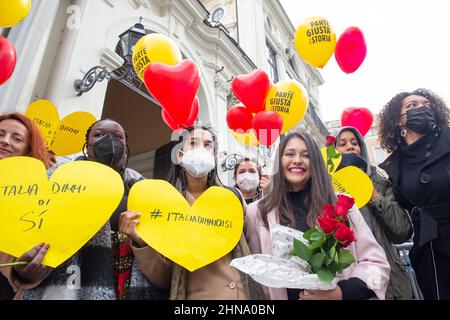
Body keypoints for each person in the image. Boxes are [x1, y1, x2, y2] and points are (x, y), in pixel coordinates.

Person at [5, 119, 166, 300]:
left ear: (126, 146)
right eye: (99, 135)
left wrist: (141, 243)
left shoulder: (143, 193)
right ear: (86, 145)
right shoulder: (54, 181)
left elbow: (163, 276)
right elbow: (24, 244)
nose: (109, 141)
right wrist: (25, 272)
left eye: (117, 137)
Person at [120, 126, 269, 300]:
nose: (201, 149)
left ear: (214, 156)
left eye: (208, 145)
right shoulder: (163, 205)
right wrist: (141, 241)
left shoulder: (232, 198)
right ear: (180, 155)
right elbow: (163, 279)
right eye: (193, 143)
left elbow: (255, 251)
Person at [245, 131, 391, 300]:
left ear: (315, 162)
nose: (297, 160)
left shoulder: (342, 205)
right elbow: (253, 273)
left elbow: (376, 264)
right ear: (279, 161)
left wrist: (341, 293)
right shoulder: (258, 212)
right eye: (289, 154)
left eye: (306, 155)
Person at [378, 88, 450, 300]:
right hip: (428, 252)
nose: (422, 108)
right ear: (399, 120)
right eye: (412, 106)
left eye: (426, 104)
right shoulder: (395, 165)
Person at [334, 126, 413, 299]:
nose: (350, 147)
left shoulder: (381, 183)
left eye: (355, 143)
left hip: (392, 284)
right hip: (349, 284)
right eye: (342, 143)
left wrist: (374, 195)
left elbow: (402, 232)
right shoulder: (324, 188)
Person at [0, 112, 52, 300]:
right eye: (0, 134)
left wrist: (23, 273)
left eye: (17, 138)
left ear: (27, 149)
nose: (5, 141)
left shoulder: (37, 195)